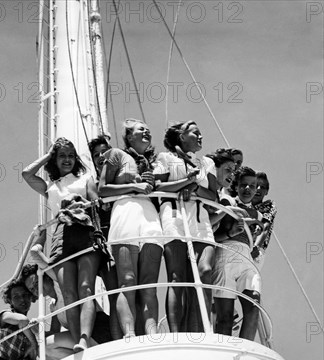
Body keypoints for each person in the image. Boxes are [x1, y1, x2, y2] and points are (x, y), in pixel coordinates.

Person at [154, 123, 235, 333]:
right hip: (174, 217)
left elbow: (213, 196)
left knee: (204, 271)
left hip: (201, 221)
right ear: (181, 136)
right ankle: (176, 333)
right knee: (177, 276)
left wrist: (194, 187)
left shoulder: (205, 162)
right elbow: (158, 187)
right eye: (195, 132)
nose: (200, 135)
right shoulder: (164, 158)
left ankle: (200, 328)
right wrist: (185, 182)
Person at [22, 137, 102, 352]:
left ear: (76, 159)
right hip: (60, 235)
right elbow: (26, 174)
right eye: (61, 156)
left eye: (70, 155)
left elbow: (97, 203)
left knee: (85, 288)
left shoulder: (86, 179)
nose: (66, 159)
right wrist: (49, 154)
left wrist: (80, 204)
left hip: (83, 231)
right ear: (55, 160)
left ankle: (84, 338)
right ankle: (79, 342)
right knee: (68, 293)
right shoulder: (50, 187)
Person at [98, 119, 163, 337]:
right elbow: (103, 189)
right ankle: (129, 333)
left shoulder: (154, 162)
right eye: (140, 129)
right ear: (128, 136)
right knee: (127, 281)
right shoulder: (116, 154)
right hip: (125, 211)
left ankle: (152, 331)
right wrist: (135, 185)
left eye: (148, 129)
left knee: (149, 283)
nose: (146, 131)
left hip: (150, 217)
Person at [212, 167, 263, 341]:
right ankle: (222, 354)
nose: (248, 189)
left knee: (254, 303)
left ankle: (245, 348)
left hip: (246, 257)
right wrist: (231, 232)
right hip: (226, 252)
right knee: (225, 316)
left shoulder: (259, 214)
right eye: (243, 185)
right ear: (236, 186)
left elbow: (261, 232)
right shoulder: (226, 201)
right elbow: (212, 235)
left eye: (252, 186)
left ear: (257, 189)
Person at [88, 135, 122, 340]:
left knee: (134, 292)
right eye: (96, 155)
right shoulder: (91, 185)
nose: (101, 157)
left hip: (127, 237)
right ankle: (121, 341)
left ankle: (137, 337)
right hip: (107, 245)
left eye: (104, 152)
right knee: (116, 293)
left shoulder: (124, 177)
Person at [251, 171, 277, 270]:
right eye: (256, 185)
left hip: (255, 248)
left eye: (262, 187)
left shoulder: (268, 205)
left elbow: (265, 227)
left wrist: (256, 247)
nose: (258, 189)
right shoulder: (240, 203)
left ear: (266, 192)